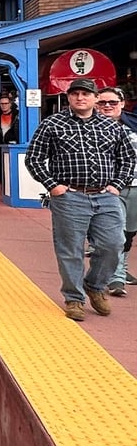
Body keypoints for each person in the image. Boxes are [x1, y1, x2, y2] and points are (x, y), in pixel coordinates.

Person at [25, 78, 136, 320]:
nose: (80, 97)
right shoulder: (52, 124)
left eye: (86, 93)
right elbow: (33, 158)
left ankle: (95, 286)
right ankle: (74, 298)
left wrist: (117, 186)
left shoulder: (112, 127)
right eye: (75, 93)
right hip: (70, 197)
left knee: (113, 244)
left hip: (105, 196)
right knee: (70, 250)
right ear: (68, 98)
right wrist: (53, 186)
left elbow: (127, 159)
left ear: (95, 98)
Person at [98, 86, 137, 296]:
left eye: (112, 102)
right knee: (116, 233)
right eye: (102, 102)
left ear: (121, 104)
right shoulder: (86, 127)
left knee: (129, 233)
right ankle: (117, 278)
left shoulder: (134, 125)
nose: (107, 106)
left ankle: (120, 269)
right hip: (109, 189)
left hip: (136, 188)